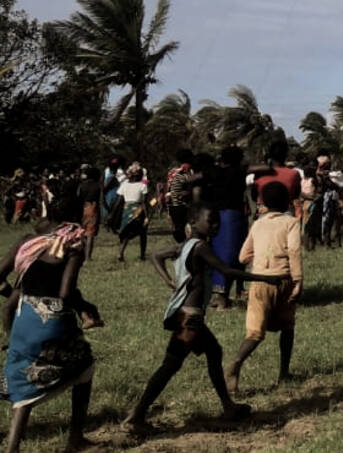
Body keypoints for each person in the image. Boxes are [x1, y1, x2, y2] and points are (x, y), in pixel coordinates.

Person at [124, 199, 289, 434]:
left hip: (188, 316)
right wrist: (265, 278)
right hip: (189, 319)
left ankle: (228, 406)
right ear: (194, 221)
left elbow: (156, 256)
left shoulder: (185, 245)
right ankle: (137, 416)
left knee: (213, 351)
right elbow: (227, 270)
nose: (215, 225)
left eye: (217, 222)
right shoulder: (200, 247)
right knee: (170, 366)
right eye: (210, 221)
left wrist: (169, 281)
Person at [0, 222, 95, 452]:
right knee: (85, 369)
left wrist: (17, 293)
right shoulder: (72, 244)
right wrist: (87, 307)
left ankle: (12, 447)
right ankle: (75, 439)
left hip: (24, 318)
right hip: (53, 322)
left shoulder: (26, 242)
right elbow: (65, 293)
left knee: (25, 381)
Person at [225, 182, 304, 394]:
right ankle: (284, 373)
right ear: (288, 202)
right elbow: (294, 251)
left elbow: (242, 256)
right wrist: (298, 280)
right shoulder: (292, 222)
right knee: (287, 327)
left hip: (259, 282)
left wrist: (260, 259)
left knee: (255, 332)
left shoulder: (258, 224)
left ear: (264, 204)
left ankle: (235, 364)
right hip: (284, 279)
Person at [115, 163, 152, 262]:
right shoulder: (142, 186)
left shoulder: (124, 185)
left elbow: (118, 201)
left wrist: (113, 214)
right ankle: (142, 255)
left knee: (126, 232)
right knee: (142, 233)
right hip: (138, 211)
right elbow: (145, 202)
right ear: (138, 175)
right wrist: (147, 216)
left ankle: (120, 253)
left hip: (126, 211)